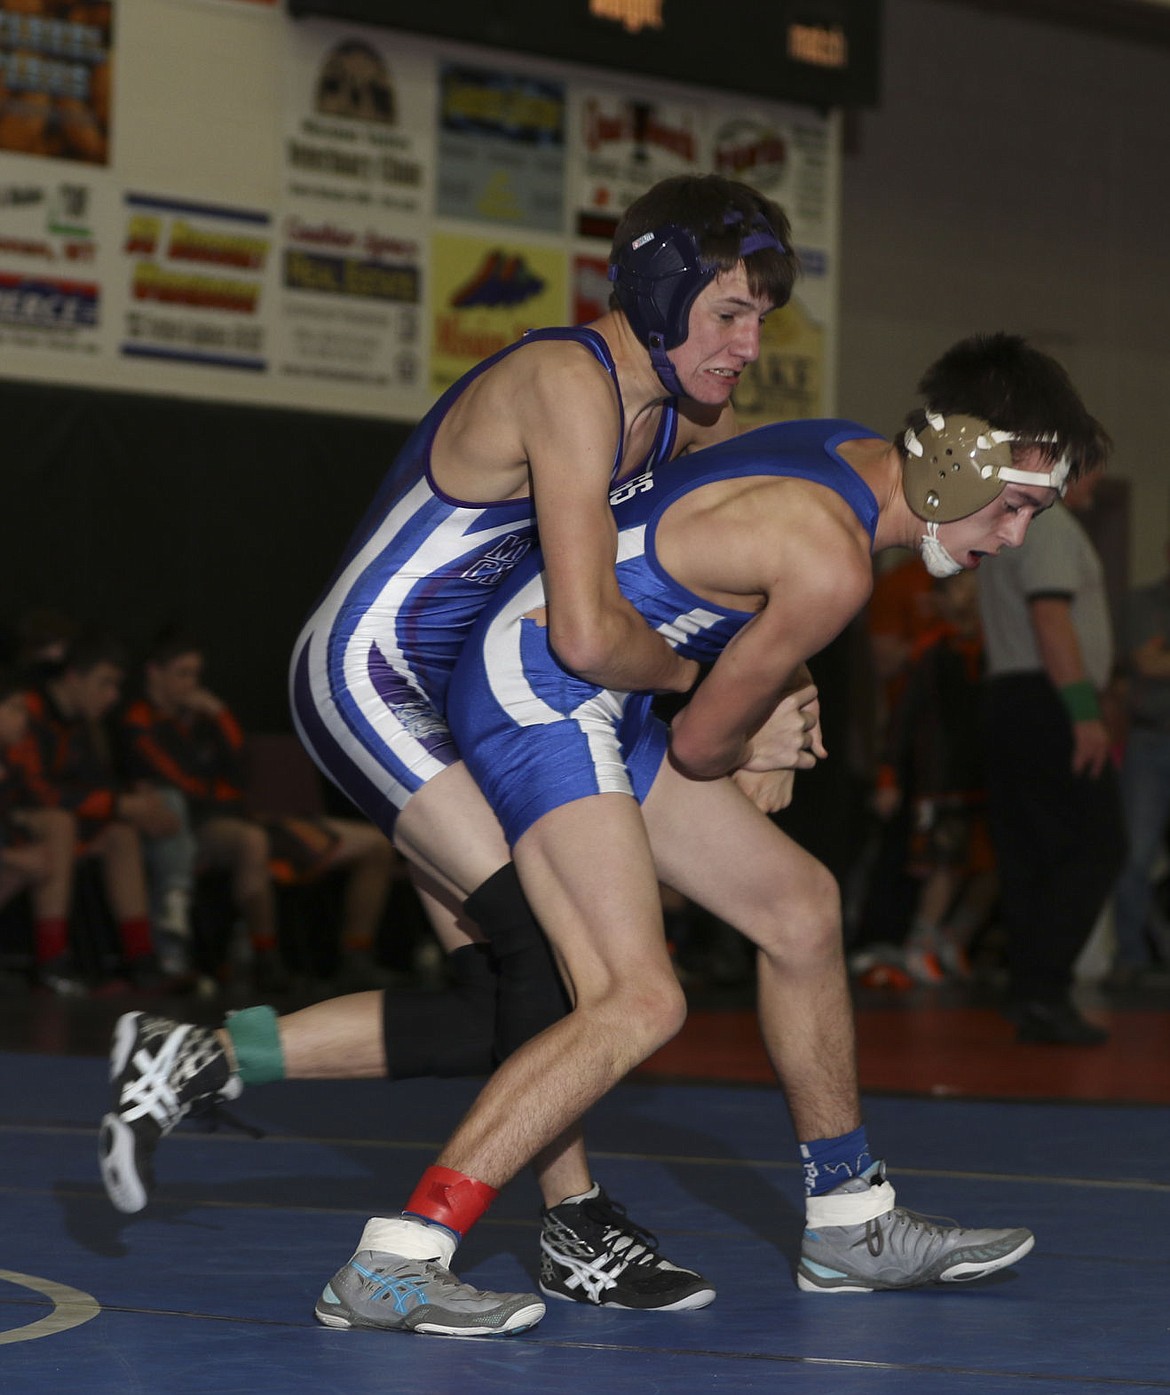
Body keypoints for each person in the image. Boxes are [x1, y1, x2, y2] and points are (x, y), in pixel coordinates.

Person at [304, 331, 1105, 1335]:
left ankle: (850, 1223)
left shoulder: (844, 451)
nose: (1017, 538)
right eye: (1020, 505)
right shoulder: (834, 561)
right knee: (637, 1000)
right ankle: (398, 1258)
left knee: (802, 910)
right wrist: (758, 734)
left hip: (601, 688)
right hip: (544, 691)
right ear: (962, 461)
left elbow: (708, 555)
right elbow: (700, 746)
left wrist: (776, 685)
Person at [99, 174, 800, 1319]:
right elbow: (586, 629)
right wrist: (731, 688)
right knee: (559, 960)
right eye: (729, 312)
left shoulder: (671, 411)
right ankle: (542, 1231)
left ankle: (201, 1061)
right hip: (371, 677)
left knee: (508, 993)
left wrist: (786, 676)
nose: (749, 345)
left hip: (469, 693)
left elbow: (731, 552)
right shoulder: (564, 381)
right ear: (661, 292)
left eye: (763, 318)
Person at [119, 629, 399, 991]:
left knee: (377, 844)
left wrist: (220, 715)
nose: (192, 684)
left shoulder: (204, 719)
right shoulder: (137, 720)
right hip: (191, 826)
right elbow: (182, 787)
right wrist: (220, 793)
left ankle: (356, 957)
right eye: (182, 673)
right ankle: (266, 960)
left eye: (196, 675)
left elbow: (241, 770)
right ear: (154, 673)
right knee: (252, 841)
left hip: (240, 816)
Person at [978, 449, 1125, 1044]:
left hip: (1012, 698)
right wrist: (1086, 716)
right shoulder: (1053, 526)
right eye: (1095, 465)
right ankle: (1044, 988)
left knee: (1031, 854)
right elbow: (1051, 619)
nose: (1101, 478)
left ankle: (1030, 995)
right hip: (1048, 701)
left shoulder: (1016, 524)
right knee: (1098, 845)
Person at [5, 630, 179, 992]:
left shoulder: (84, 726)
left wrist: (133, 804)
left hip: (49, 822)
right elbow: (38, 793)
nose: (113, 696)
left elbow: (95, 786)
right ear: (74, 677)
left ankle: (141, 959)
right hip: (18, 817)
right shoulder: (27, 711)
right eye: (105, 684)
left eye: (117, 686)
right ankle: (51, 960)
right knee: (60, 823)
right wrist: (119, 804)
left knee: (121, 833)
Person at [864, 570, 997, 984]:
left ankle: (952, 937)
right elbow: (904, 718)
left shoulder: (993, 646)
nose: (964, 597)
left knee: (990, 867)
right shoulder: (931, 650)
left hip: (985, 773)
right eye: (954, 589)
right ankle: (918, 945)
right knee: (943, 865)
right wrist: (890, 774)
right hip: (942, 777)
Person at [1109, 543, 1170, 985]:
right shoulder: (1142, 603)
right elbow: (1146, 662)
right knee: (1135, 853)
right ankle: (1131, 958)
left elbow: (1158, 661)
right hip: (1151, 741)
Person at [0, 667, 77, 990]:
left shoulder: (9, 765)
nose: (25, 719)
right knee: (26, 864)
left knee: (44, 849)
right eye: (16, 708)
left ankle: (52, 960)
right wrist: (16, 858)